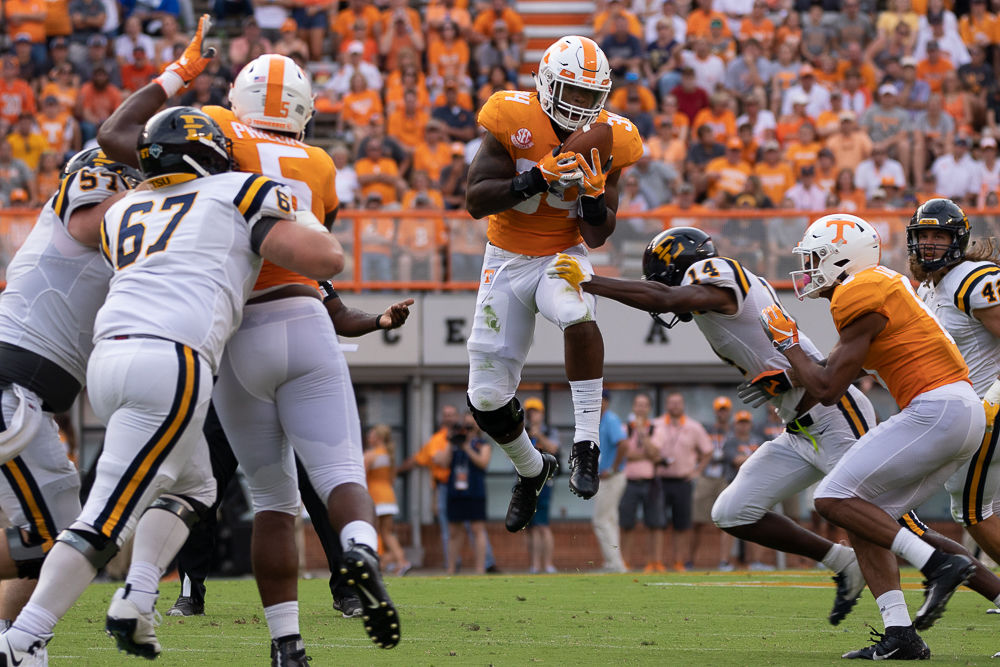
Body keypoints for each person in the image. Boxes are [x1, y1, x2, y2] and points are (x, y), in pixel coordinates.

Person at [96, 21, 401, 658]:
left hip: (235, 332)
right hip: (301, 315)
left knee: (271, 501)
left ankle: (286, 645)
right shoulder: (319, 163)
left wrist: (178, 75)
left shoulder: (220, 132)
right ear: (302, 109)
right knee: (341, 470)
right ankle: (361, 554)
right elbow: (316, 256)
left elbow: (117, 139)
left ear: (238, 100)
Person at [0, 106, 343, 666]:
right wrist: (311, 218)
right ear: (208, 156)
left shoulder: (128, 208)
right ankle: (23, 639)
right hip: (169, 359)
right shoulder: (233, 189)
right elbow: (326, 258)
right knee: (102, 520)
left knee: (197, 488)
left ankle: (137, 597)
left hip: (110, 360)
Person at [545, 226, 871, 625]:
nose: (659, 291)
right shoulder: (715, 299)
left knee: (886, 519)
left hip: (831, 412)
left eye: (663, 279)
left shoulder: (716, 272)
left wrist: (592, 282)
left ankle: (939, 577)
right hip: (798, 426)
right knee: (734, 511)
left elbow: (668, 296)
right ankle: (843, 562)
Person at [763, 212, 983, 659]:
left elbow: (827, 390)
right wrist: (791, 370)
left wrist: (787, 343)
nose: (808, 269)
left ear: (843, 260)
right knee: (863, 514)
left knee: (830, 497)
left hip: (937, 407)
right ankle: (900, 633)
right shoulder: (879, 285)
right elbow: (833, 371)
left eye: (816, 258)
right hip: (958, 411)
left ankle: (938, 563)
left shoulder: (857, 291)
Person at [464, 35, 644, 533]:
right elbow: (477, 200)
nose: (582, 106)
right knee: (484, 397)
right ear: (546, 84)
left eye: (591, 97)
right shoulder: (511, 118)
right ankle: (532, 468)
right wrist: (538, 177)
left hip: (562, 254)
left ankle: (586, 441)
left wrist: (590, 196)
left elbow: (599, 233)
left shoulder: (612, 139)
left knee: (577, 311)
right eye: (573, 93)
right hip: (505, 258)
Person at [0, 149, 138, 633]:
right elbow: (89, 222)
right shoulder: (86, 199)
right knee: (58, 540)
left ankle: (12, 641)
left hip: (26, 399)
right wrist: (160, 192)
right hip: (8, 388)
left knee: (61, 538)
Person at [907, 199, 1000, 582]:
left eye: (938, 236)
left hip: (989, 409)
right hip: (965, 415)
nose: (929, 244)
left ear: (957, 239)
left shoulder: (970, 279)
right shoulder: (930, 289)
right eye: (923, 235)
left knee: (972, 510)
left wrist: (995, 397)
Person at [435, 413, 492, 575]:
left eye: (470, 425)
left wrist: (467, 446)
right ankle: (451, 568)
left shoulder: (483, 444)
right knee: (454, 531)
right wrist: (450, 441)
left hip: (475, 491)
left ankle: (480, 569)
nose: (467, 429)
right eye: (465, 425)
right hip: (456, 492)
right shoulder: (454, 445)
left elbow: (483, 463)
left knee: (477, 529)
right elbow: (444, 463)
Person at [619, 393, 666, 571]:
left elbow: (655, 452)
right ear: (633, 407)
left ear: (649, 408)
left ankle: (655, 561)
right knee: (627, 524)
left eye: (644, 405)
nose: (641, 408)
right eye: (638, 405)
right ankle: (624, 561)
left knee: (655, 523)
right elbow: (625, 454)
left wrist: (641, 433)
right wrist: (646, 454)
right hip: (629, 482)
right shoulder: (625, 429)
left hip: (650, 481)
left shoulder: (657, 429)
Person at [691, 397, 733, 570]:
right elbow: (695, 447)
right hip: (707, 476)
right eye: (719, 410)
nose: (722, 413)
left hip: (726, 476)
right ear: (715, 412)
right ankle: (690, 559)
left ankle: (724, 560)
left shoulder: (734, 430)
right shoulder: (706, 429)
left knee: (727, 519)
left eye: (724, 410)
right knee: (697, 519)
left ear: (729, 412)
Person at [363, 426, 410, 576]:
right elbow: (392, 479)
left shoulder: (370, 455)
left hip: (374, 497)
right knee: (387, 533)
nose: (368, 438)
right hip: (389, 497)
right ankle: (401, 562)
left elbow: (360, 477)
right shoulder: (389, 456)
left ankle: (378, 563)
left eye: (371, 436)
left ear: (378, 438)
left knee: (374, 531)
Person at [591, 390, 627, 573]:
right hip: (607, 477)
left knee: (601, 520)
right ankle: (614, 563)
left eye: (600, 400)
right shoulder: (601, 421)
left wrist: (612, 468)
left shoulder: (610, 419)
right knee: (610, 520)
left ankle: (614, 564)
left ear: (605, 401)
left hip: (611, 478)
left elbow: (623, 444)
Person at [523, 398, 559, 574]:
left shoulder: (550, 431)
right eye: (529, 412)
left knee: (542, 525)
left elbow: (553, 449)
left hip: (544, 482)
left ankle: (547, 564)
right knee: (529, 527)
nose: (532, 415)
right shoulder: (522, 432)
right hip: (525, 483)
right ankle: (534, 564)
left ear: (542, 413)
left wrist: (538, 435)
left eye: (535, 411)